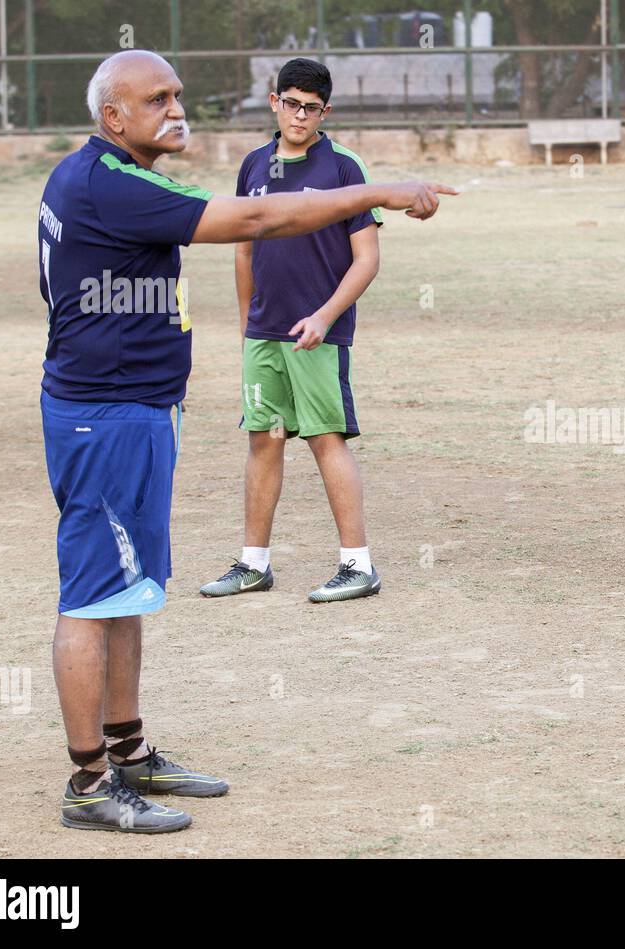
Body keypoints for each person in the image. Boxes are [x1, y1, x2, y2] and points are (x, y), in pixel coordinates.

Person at [39, 49, 455, 832]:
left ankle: (127, 750)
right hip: (106, 416)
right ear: (112, 117)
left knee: (126, 588)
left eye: (178, 94)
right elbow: (260, 221)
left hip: (127, 408)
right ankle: (90, 784)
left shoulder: (99, 176)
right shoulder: (110, 184)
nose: (175, 108)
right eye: (156, 98)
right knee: (91, 595)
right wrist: (380, 192)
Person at [200, 58, 383, 604]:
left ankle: (358, 564)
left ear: (325, 111)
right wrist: (246, 324)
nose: (299, 115)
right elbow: (243, 249)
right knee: (265, 440)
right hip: (265, 333)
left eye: (311, 107)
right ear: (274, 100)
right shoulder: (253, 165)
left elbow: (367, 259)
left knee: (326, 438)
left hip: (318, 336)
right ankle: (253, 565)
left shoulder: (344, 167)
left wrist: (325, 317)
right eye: (291, 102)